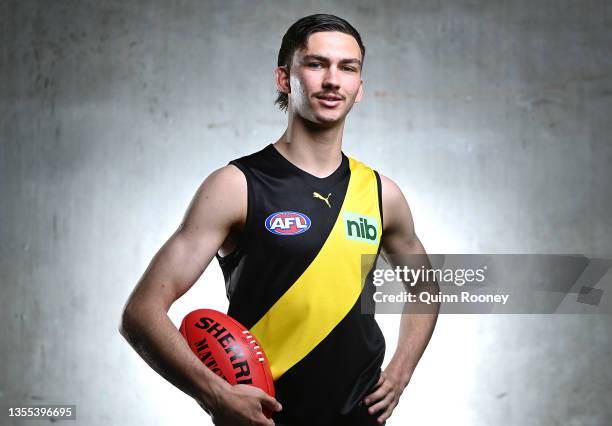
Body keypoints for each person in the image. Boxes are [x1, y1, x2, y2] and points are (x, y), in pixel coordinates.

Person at [120, 13, 439, 426]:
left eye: (348, 68)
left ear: (359, 88)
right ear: (284, 78)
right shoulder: (236, 186)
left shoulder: (381, 194)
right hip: (264, 418)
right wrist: (215, 393)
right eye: (315, 64)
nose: (332, 80)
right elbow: (141, 312)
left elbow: (425, 287)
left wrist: (400, 373)